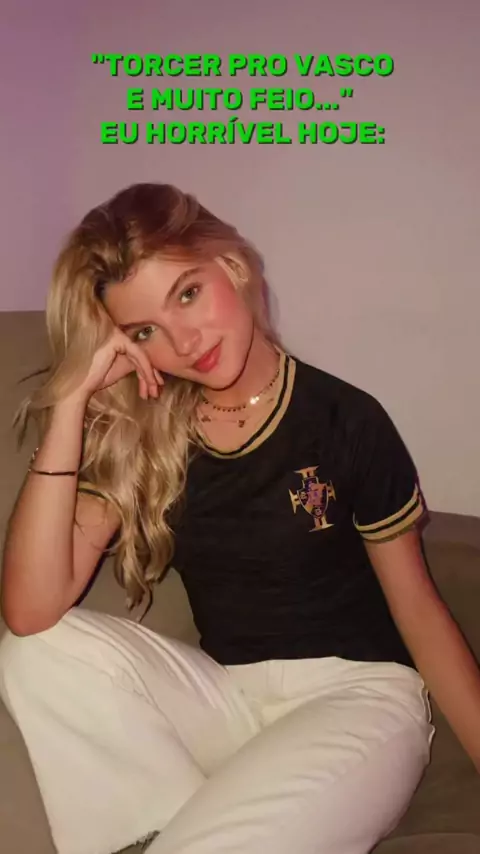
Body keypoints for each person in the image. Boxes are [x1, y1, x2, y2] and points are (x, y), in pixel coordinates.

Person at [0, 184, 479, 854]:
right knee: (34, 652)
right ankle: (191, 822)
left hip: (357, 698)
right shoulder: (148, 430)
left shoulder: (346, 419)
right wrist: (72, 402)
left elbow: (419, 612)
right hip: (225, 703)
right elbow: (29, 612)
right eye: (144, 331)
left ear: (231, 265)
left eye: (187, 294)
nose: (183, 341)